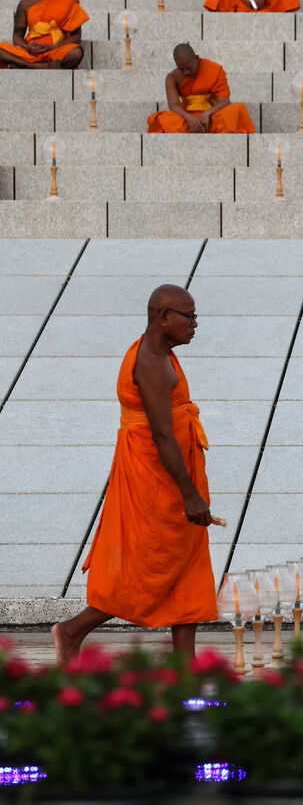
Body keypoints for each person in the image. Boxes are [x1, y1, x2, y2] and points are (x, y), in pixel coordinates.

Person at [52, 285, 216, 668]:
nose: (195, 324)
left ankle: (186, 666)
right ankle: (72, 630)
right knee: (145, 566)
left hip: (172, 475)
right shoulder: (152, 364)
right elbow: (161, 435)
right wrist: (190, 494)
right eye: (190, 316)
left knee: (186, 564)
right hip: (156, 480)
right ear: (164, 317)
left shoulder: (162, 353)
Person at [147, 44, 256, 134]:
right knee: (160, 119)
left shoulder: (215, 70)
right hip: (186, 119)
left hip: (212, 118)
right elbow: (174, 105)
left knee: (237, 109)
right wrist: (189, 118)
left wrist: (208, 113)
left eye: (189, 68)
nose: (186, 72)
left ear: (196, 58)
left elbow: (224, 101)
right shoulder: (172, 77)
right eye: (181, 69)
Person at [0, 0, 86, 70]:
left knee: (76, 52)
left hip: (55, 51)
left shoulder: (69, 2)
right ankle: (34, 66)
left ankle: (23, 66)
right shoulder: (25, 4)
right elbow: (17, 36)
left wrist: (53, 48)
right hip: (30, 52)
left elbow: (77, 36)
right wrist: (27, 47)